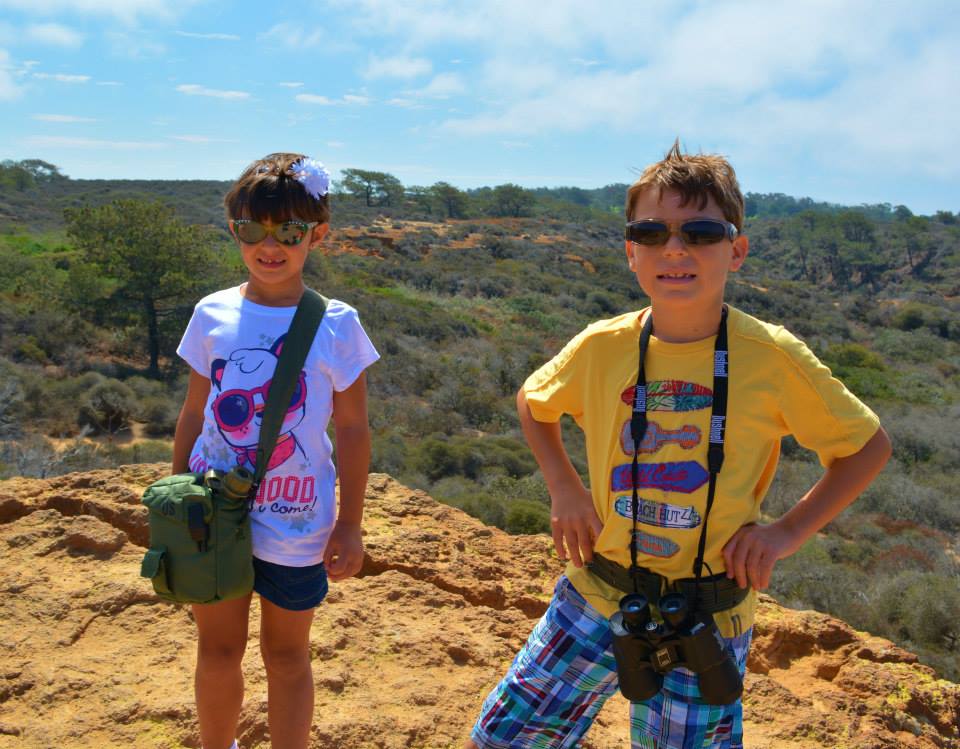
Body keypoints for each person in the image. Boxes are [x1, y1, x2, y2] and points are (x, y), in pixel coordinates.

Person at [466, 142, 891, 749]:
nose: (675, 249)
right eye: (652, 231)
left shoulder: (771, 356)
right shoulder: (602, 345)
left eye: (700, 232)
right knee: (504, 740)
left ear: (736, 250)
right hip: (597, 589)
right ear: (630, 251)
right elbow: (534, 404)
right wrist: (565, 488)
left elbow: (868, 447)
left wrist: (785, 533)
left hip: (710, 613)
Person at [172, 152, 379, 749]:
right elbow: (193, 411)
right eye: (252, 230)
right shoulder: (212, 313)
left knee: (286, 656)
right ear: (233, 229)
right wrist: (175, 496)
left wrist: (351, 524)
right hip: (213, 514)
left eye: (289, 232)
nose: (271, 246)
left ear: (317, 234)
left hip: (297, 523)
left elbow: (354, 430)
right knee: (217, 650)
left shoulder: (338, 324)